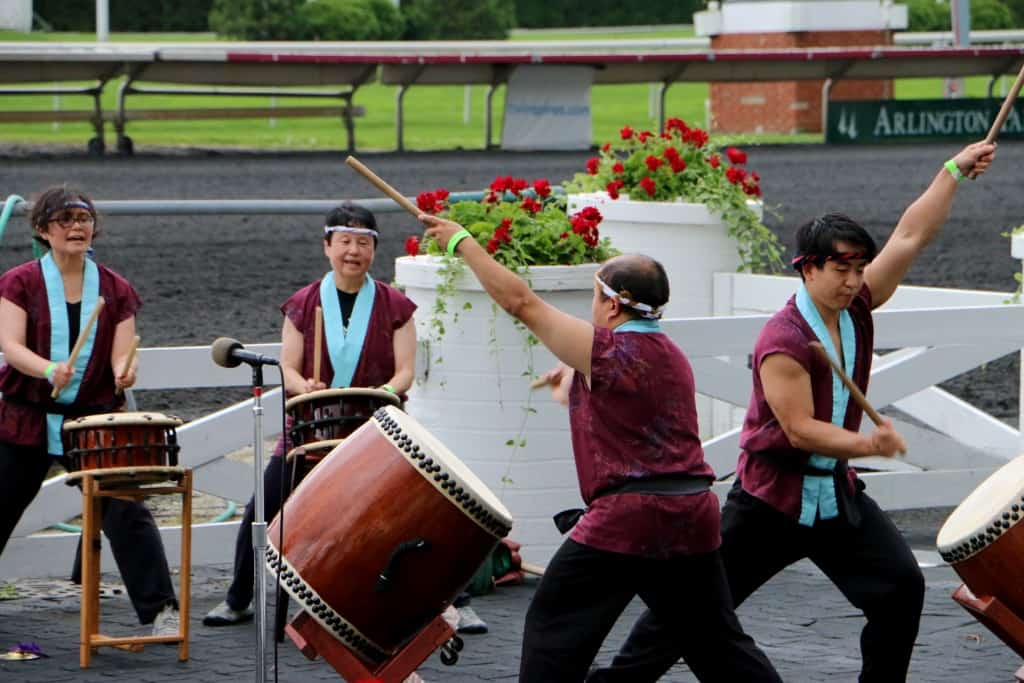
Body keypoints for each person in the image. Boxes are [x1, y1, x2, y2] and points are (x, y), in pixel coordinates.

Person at [590, 141, 998, 682]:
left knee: (900, 588)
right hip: (768, 505)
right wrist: (868, 445)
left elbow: (910, 234)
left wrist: (952, 170)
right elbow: (801, 431)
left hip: (835, 499)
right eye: (839, 268)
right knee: (689, 614)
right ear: (806, 269)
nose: (853, 280)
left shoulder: (855, 305)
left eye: (858, 267)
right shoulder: (782, 341)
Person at [417, 213, 782, 683]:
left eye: (594, 296)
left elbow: (520, 302)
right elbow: (627, 382)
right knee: (718, 643)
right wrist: (573, 373)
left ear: (613, 305)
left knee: (553, 629)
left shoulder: (607, 353)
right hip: (691, 516)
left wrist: (462, 243)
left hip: (628, 520)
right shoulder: (671, 354)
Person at [204, 202, 417, 626]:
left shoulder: (396, 306)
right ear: (327, 247)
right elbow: (289, 368)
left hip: (374, 429)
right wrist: (305, 387)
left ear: (374, 250)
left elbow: (406, 373)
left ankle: (446, 600)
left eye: (363, 243)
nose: (353, 251)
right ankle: (238, 596)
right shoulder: (303, 303)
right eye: (345, 242)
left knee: (408, 512)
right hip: (310, 427)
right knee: (263, 506)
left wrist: (384, 391)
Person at [0, 186, 180, 636]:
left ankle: (161, 611)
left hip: (93, 421)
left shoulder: (116, 289)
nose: (77, 227)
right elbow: (10, 345)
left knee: (126, 507)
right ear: (43, 230)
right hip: (25, 417)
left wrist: (125, 371)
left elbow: (124, 354)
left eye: (83, 219)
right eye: (65, 220)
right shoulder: (19, 282)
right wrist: (46, 369)